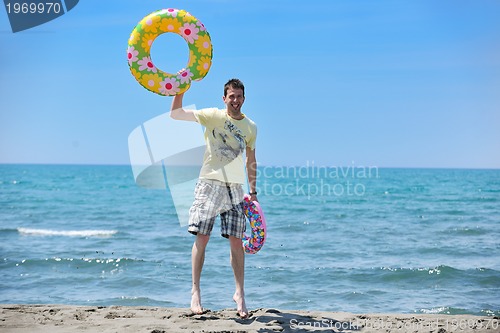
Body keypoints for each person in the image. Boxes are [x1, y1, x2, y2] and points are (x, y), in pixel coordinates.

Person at [170, 78, 258, 318]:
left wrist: (254, 192)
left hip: (235, 188)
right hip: (209, 183)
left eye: (239, 96)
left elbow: (251, 160)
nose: (236, 100)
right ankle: (195, 292)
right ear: (224, 98)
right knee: (203, 237)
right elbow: (176, 114)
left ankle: (240, 294)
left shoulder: (251, 127)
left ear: (244, 98)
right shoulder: (213, 116)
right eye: (232, 96)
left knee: (236, 242)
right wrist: (180, 89)